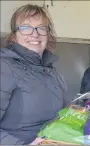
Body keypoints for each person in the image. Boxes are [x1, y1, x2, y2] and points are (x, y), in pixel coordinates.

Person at [0, 4, 67, 145]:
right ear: (14, 36)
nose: (35, 34)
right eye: (25, 28)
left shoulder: (51, 71)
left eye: (41, 28)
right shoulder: (4, 66)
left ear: (48, 34)